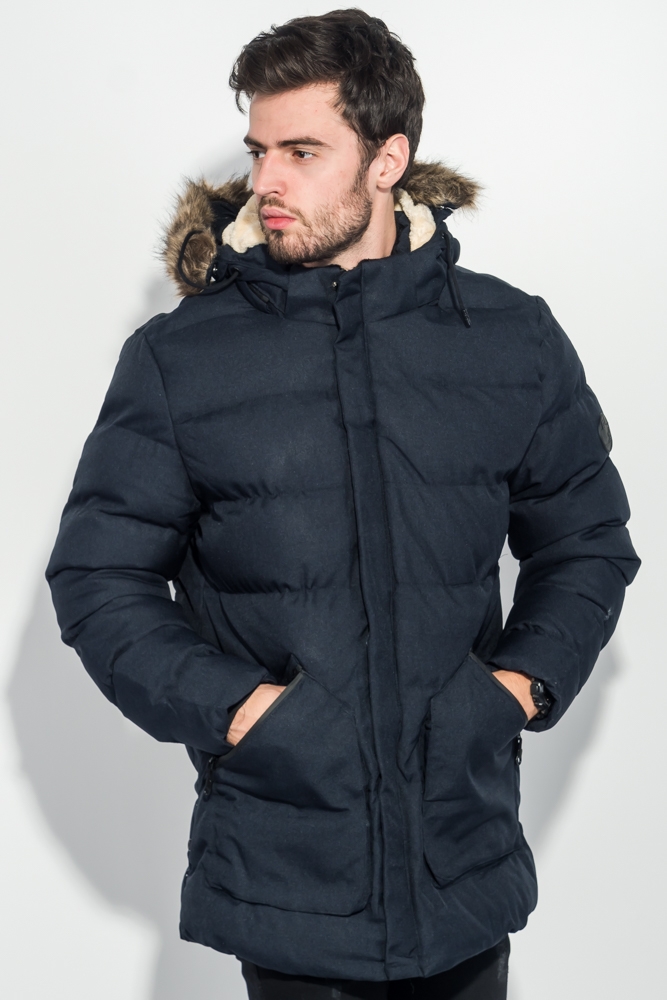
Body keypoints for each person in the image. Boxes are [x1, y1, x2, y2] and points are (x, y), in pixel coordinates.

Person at [46, 9, 640, 999]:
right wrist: (244, 712)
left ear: (386, 160)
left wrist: (516, 687)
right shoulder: (181, 359)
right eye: (258, 151)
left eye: (302, 151)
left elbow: (585, 538)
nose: (265, 182)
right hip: (289, 872)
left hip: (461, 860)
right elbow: (98, 577)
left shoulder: (508, 337)